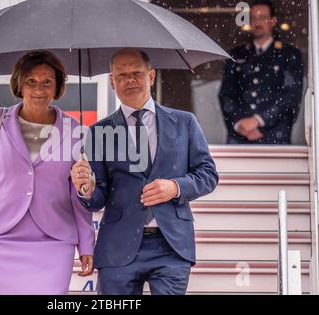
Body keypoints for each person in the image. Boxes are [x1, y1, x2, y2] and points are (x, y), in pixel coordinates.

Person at [0, 50, 95, 295]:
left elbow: (76, 195)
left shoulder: (73, 128)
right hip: (3, 237)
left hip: (55, 240)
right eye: (31, 82)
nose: (39, 89)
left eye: (47, 82)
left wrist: (86, 243)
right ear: (19, 85)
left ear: (57, 87)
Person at [71, 48, 218, 295]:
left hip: (171, 246)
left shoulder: (184, 122)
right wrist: (86, 189)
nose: (130, 80)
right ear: (112, 81)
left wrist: (176, 187)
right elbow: (97, 199)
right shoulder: (98, 132)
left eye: (136, 73)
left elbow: (208, 175)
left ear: (151, 76)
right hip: (118, 247)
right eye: (122, 75)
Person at [219, 0, 304, 145]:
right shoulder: (238, 54)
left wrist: (258, 120)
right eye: (253, 18)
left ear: (273, 21)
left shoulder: (289, 54)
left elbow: (291, 95)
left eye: (263, 17)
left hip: (275, 139)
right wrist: (240, 124)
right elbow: (226, 94)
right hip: (240, 140)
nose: (257, 23)